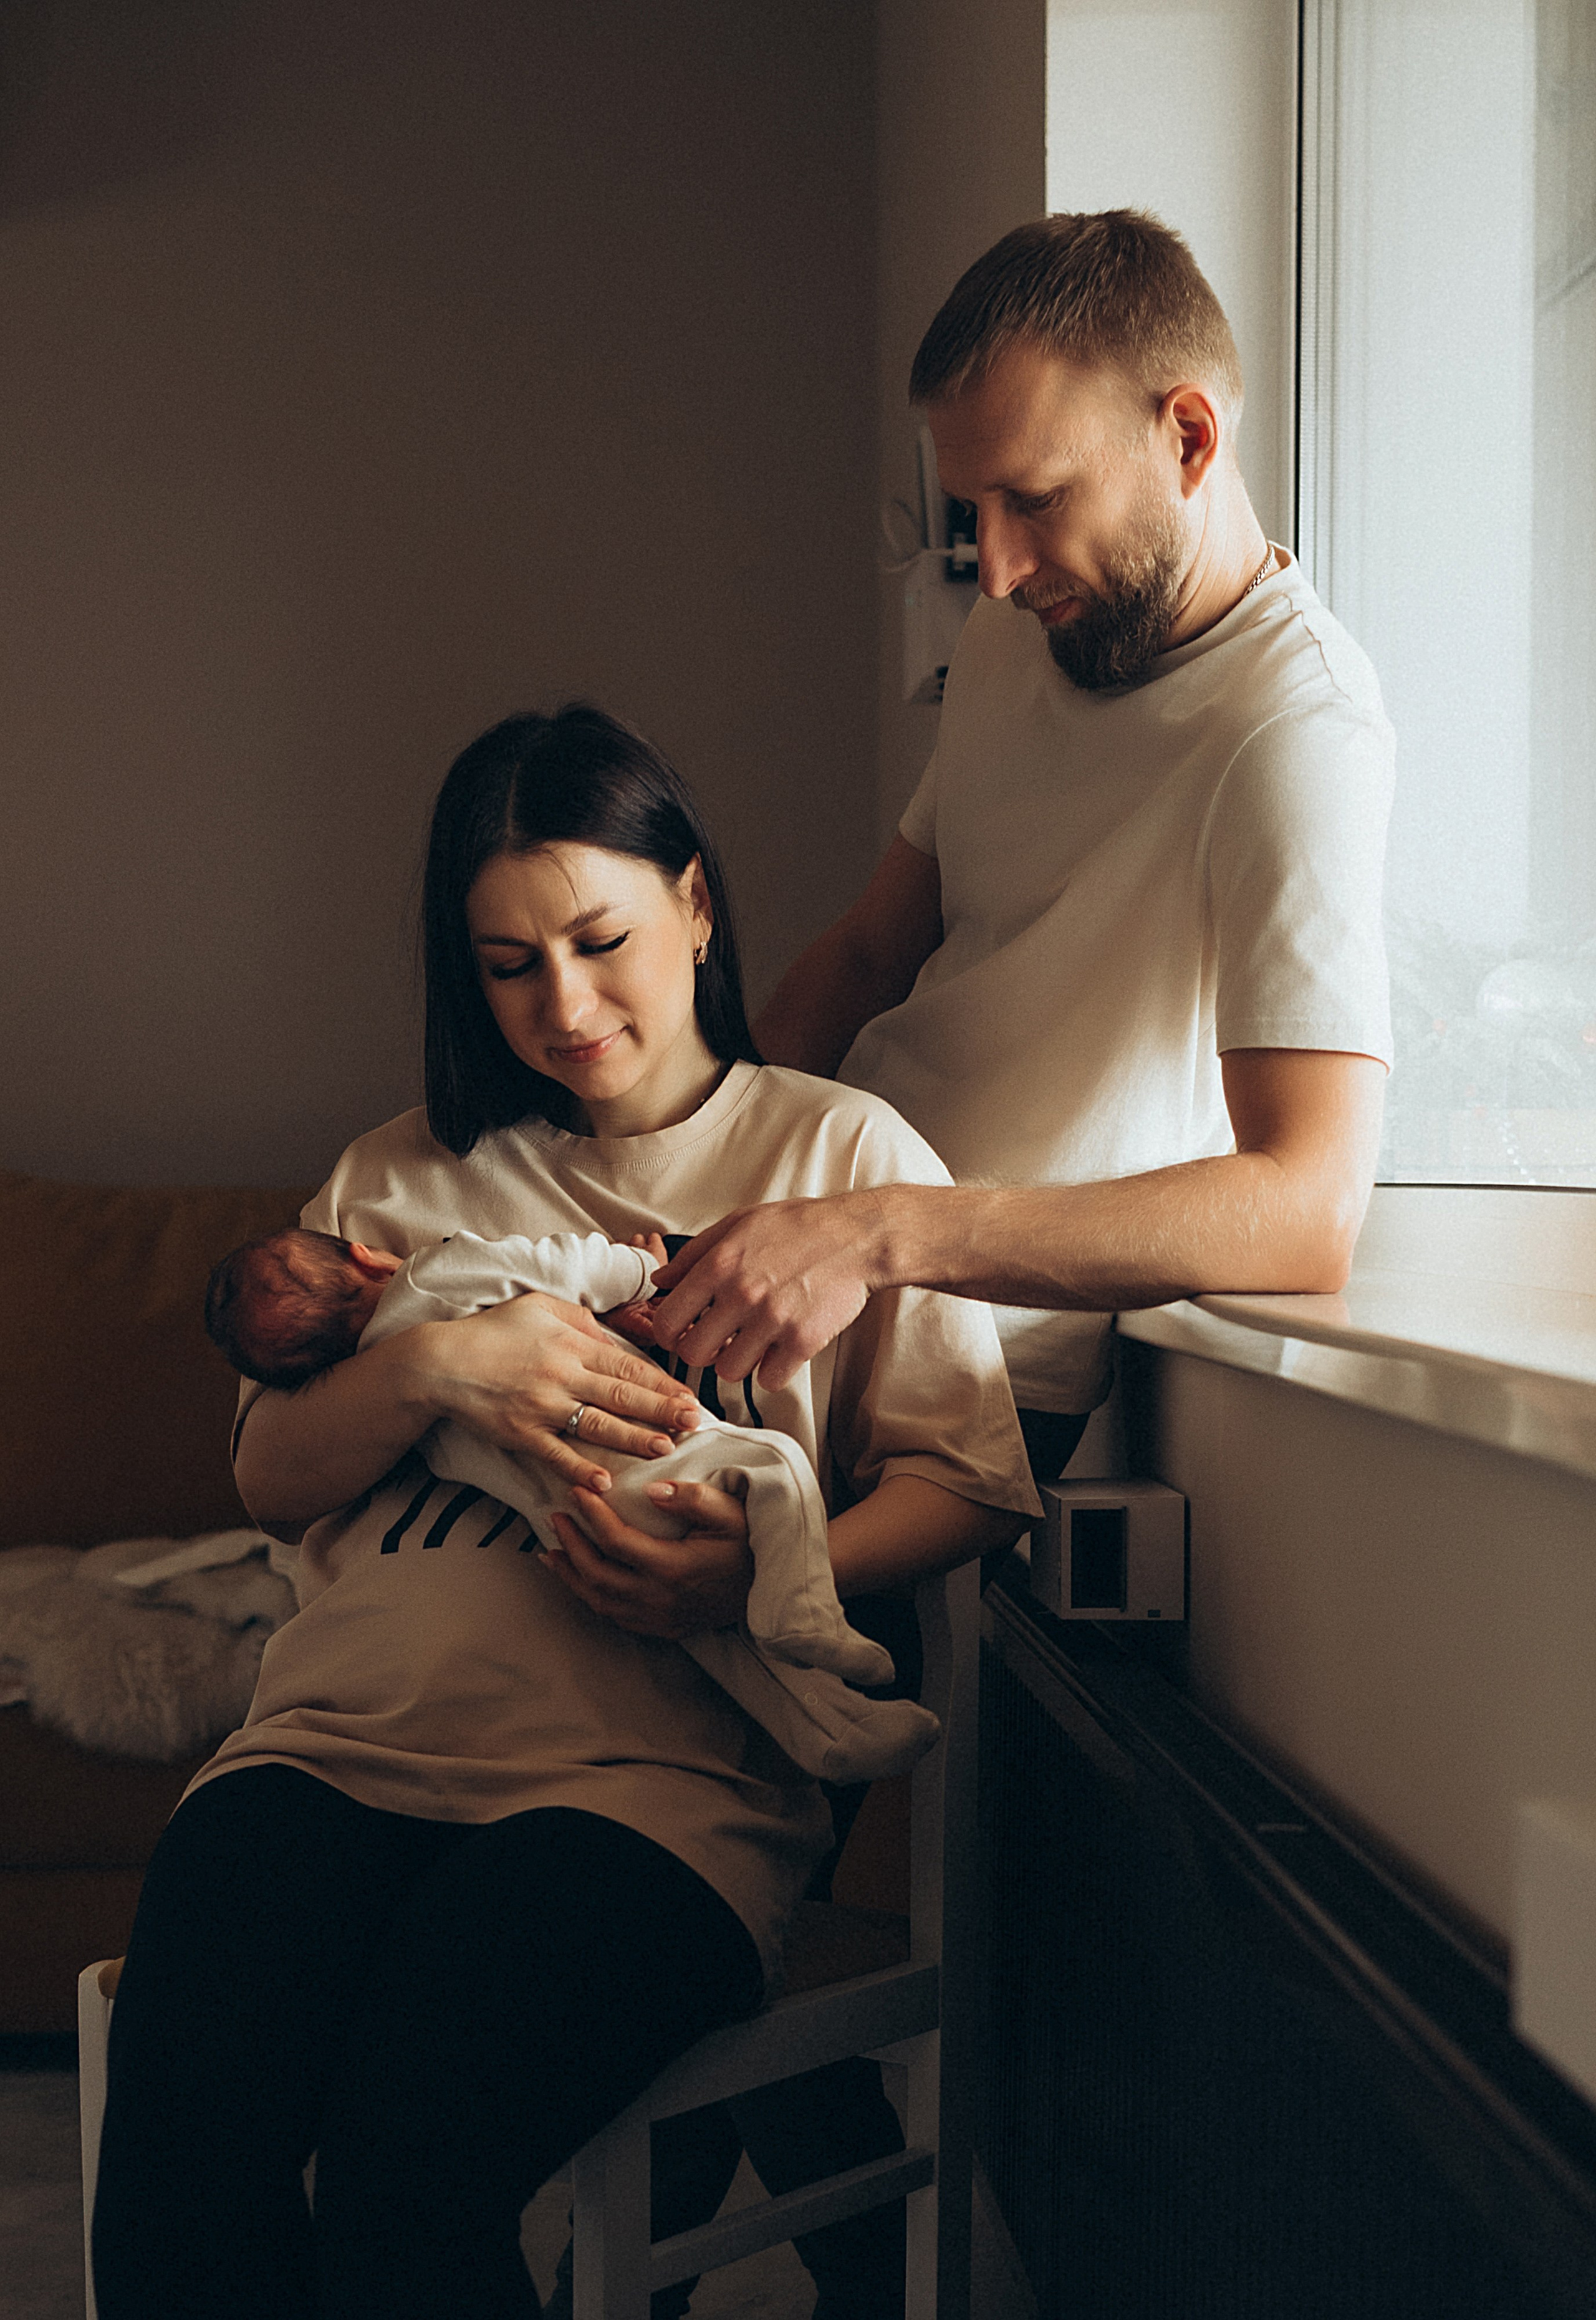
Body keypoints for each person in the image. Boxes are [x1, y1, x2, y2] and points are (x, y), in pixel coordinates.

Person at [89, 703, 1036, 2320]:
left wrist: (758, 1572)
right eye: (508, 961)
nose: (565, 1002)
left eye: (599, 938)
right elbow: (271, 1472)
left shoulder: (834, 1154)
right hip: (334, 1744)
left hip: (646, 1793)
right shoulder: (397, 1177)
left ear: (696, 904)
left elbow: (971, 1485)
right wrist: (446, 1366)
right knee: (189, 2162)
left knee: (408, 2179)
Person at [639, 209, 1395, 1493]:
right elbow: (878, 947)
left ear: (1189, 438)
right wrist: (686, 1159)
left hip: (960, 1360)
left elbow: (1307, 1204)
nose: (992, 569)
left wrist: (883, 1236)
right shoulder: (1014, 635)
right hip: (807, 1257)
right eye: (974, 508)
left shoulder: (1296, 727)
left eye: (1033, 501)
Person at [201, 1221, 941, 1781]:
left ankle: (831, 1732)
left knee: (718, 1647)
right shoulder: (435, 1272)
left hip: (581, 1528)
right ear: (366, 1255)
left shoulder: (409, 1424)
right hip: (651, 1459)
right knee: (775, 1464)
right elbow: (558, 1263)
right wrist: (639, 1269)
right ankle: (801, 1603)